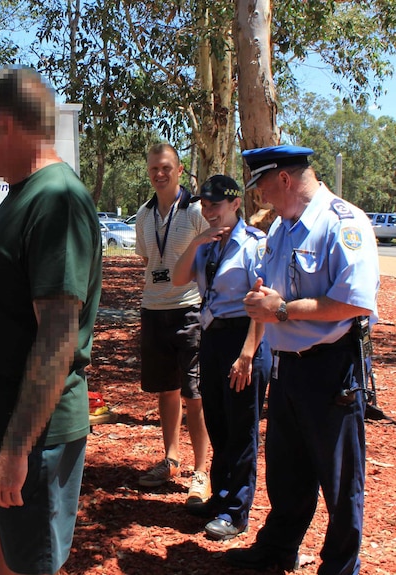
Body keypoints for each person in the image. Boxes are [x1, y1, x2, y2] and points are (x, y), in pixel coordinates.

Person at [0, 67, 102, 575]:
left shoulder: (55, 200)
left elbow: (59, 335)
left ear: (6, 124)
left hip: (31, 438)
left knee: (31, 566)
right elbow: (6, 302)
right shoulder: (22, 197)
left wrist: (16, 450)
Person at [232, 145, 378, 574]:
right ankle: (278, 548)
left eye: (260, 184)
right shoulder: (281, 230)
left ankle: (338, 565)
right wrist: (263, 305)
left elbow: (354, 303)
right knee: (287, 469)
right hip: (287, 366)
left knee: (339, 479)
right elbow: (277, 295)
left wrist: (281, 310)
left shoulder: (342, 223)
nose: (258, 194)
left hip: (331, 369)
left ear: (284, 179)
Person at [171, 175, 271, 541]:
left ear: (235, 205)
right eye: (205, 205)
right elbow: (179, 279)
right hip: (212, 338)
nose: (209, 211)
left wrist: (247, 354)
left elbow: (262, 302)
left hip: (244, 338)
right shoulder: (208, 246)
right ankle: (222, 496)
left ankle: (236, 511)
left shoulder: (254, 245)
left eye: (216, 205)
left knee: (242, 430)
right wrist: (197, 240)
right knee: (218, 423)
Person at [133, 143, 211, 506]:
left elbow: (210, 255)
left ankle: (201, 471)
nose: (159, 174)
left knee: (194, 395)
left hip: (189, 310)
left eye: (166, 168)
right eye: (153, 170)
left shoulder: (196, 210)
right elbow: (148, 257)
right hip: (154, 310)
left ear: (179, 170)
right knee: (166, 391)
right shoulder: (144, 215)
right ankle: (171, 459)